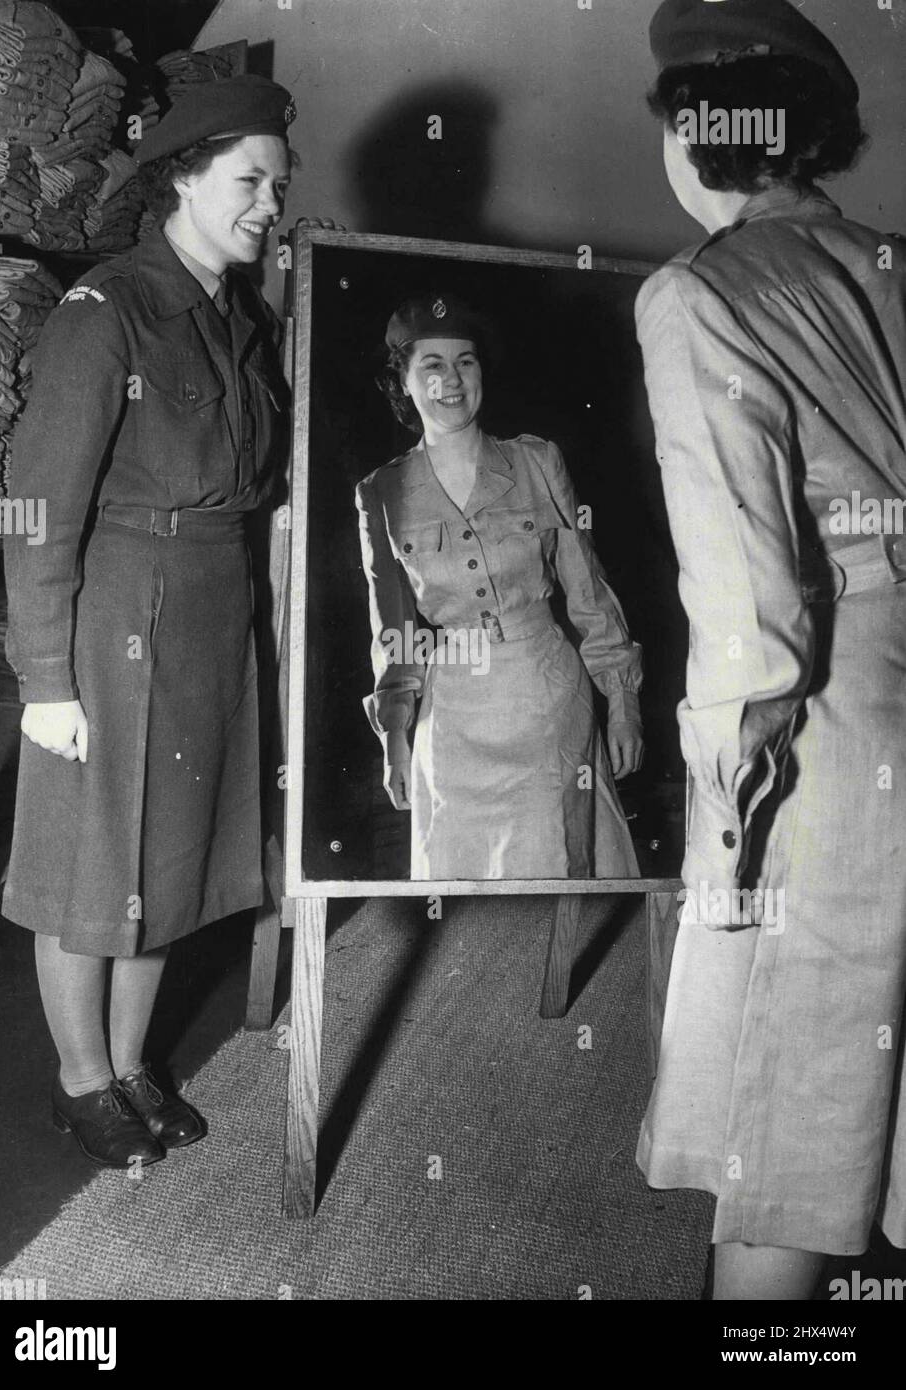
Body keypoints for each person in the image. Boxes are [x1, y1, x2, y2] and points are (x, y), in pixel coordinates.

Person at [636, 0, 906, 1299]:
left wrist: (722, 812)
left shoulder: (701, 295)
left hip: (836, 732)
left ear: (693, 140)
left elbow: (749, 608)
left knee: (782, 1119)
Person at [3, 75, 297, 1167]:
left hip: (216, 618)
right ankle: (80, 1081)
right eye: (247, 180)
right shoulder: (109, 309)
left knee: (171, 858)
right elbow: (40, 508)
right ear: (181, 178)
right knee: (91, 862)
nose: (267, 202)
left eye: (278, 183)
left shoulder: (241, 316)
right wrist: (42, 682)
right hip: (117, 611)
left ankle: (131, 1062)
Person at [356, 294, 644, 880]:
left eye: (465, 361)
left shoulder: (538, 463)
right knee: (460, 900)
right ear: (403, 383)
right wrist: (395, 732)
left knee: (558, 879)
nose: (451, 379)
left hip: (546, 697)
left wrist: (624, 702)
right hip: (453, 712)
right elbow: (395, 633)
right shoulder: (381, 492)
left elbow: (589, 592)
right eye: (431, 365)